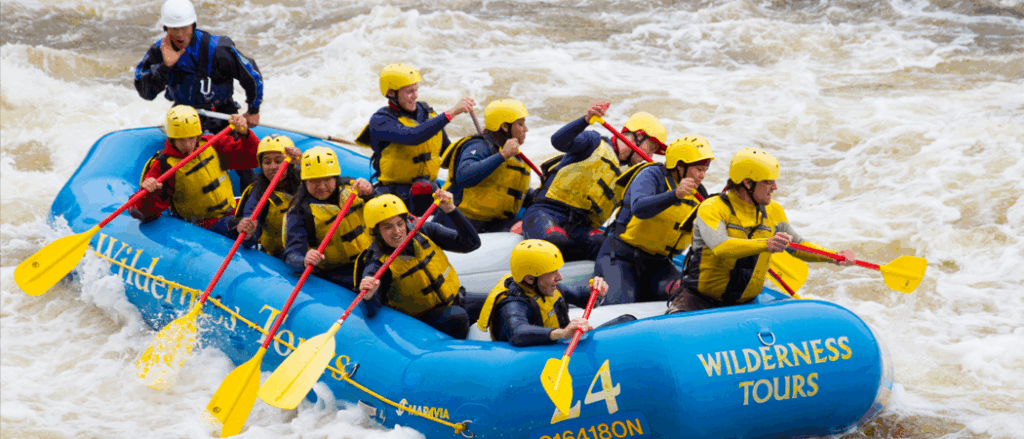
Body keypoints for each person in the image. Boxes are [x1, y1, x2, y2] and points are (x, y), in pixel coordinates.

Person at [667, 147, 856, 313]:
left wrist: (833, 256)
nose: (775, 187)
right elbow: (721, 246)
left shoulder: (773, 210)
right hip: (698, 303)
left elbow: (797, 246)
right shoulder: (712, 208)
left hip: (744, 306)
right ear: (748, 183)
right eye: (768, 182)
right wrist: (767, 244)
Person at [523, 102, 668, 261]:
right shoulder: (593, 142)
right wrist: (585, 120)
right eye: (652, 148)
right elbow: (558, 141)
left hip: (581, 228)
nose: (651, 156)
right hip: (547, 212)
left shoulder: (632, 175)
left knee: (609, 248)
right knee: (556, 240)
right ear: (639, 136)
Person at [596, 135, 714, 304]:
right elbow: (639, 208)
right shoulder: (651, 175)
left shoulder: (699, 193)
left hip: (658, 264)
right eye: (699, 169)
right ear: (680, 165)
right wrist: (675, 194)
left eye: (705, 171)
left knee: (686, 296)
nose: (702, 176)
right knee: (623, 303)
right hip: (621, 257)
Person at [354, 63, 475, 217]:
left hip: (430, 192)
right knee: (422, 187)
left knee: (425, 187)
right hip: (396, 196)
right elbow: (414, 136)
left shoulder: (429, 114)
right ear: (391, 93)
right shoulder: (380, 121)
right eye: (409, 91)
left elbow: (448, 153)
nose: (415, 95)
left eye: (415, 89)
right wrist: (452, 113)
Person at [357, 191, 481, 339]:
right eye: (388, 227)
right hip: (422, 321)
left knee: (494, 302)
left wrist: (451, 210)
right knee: (457, 317)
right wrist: (368, 297)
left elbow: (472, 244)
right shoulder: (376, 263)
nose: (397, 231)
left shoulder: (425, 231)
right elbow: (370, 311)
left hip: (455, 299)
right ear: (376, 232)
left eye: (400, 224)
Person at [134, 0, 264, 133]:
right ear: (166, 28)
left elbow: (251, 75)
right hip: (184, 118)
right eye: (174, 29)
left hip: (221, 116)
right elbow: (146, 93)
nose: (180, 34)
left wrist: (253, 110)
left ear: (193, 26)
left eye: (184, 28)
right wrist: (165, 67)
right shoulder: (158, 52)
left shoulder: (218, 49)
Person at [476, 239, 636, 347]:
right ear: (530, 278)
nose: (559, 277)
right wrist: (561, 333)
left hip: (557, 348)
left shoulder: (543, 286)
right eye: (553, 273)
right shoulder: (513, 303)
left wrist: (596, 292)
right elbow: (518, 332)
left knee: (627, 321)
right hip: (540, 357)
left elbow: (578, 297)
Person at [130, 105, 257, 238]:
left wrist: (245, 134)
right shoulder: (163, 165)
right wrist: (148, 193)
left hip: (232, 212)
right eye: (181, 140)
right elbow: (141, 212)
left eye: (191, 138)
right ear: (172, 139)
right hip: (202, 226)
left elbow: (253, 159)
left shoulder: (212, 144)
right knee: (243, 226)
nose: (188, 146)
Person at [281, 147, 375, 288]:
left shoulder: (353, 189)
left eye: (327, 179)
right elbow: (291, 255)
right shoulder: (300, 212)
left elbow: (382, 212)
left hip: (373, 258)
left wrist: (371, 194)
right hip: (338, 274)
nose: (322, 186)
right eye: (314, 181)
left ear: (335, 178)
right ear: (305, 181)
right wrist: (304, 260)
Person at [439, 99, 532, 233]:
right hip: (461, 222)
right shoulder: (480, 146)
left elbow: (506, 187)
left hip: (491, 223)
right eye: (520, 124)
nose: (526, 129)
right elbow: (464, 175)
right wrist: (502, 155)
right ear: (505, 127)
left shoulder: (512, 155)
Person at [234, 134, 303, 257]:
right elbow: (248, 241)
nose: (273, 167)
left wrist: (304, 162)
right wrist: (248, 234)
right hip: (278, 256)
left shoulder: (306, 181)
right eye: (267, 162)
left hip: (310, 251)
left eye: (278, 161)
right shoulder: (258, 192)